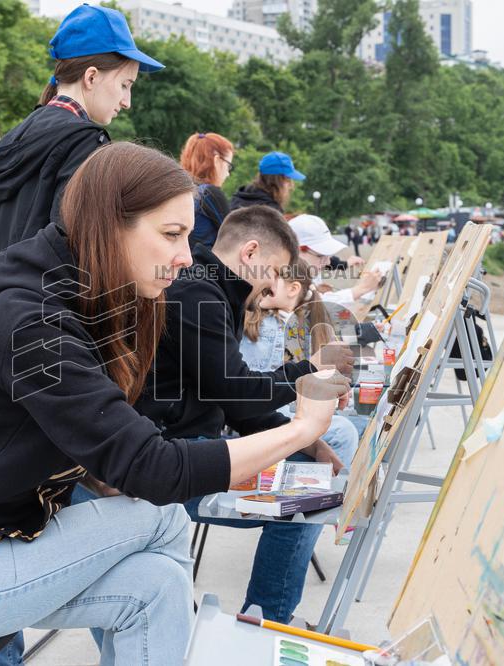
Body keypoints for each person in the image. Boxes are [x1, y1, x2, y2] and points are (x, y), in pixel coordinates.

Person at [0, 143, 350, 665]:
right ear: (110, 226)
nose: (188, 257)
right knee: (162, 518)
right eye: (172, 234)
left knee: (159, 583)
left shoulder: (79, 303)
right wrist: (301, 430)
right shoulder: (32, 325)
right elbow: (153, 468)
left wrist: (102, 473)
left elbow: (100, 444)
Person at [133, 204, 356, 623]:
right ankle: (267, 621)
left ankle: (264, 618)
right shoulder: (197, 292)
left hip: (193, 445)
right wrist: (308, 369)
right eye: (274, 272)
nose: (272, 286)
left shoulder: (213, 289)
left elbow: (229, 400)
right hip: (175, 462)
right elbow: (237, 394)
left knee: (314, 481)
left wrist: (309, 442)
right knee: (305, 499)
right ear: (250, 252)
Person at [0, 4, 163, 311]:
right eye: (125, 85)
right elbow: (76, 246)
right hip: (41, 317)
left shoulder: (18, 134)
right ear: (91, 77)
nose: (127, 101)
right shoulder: (84, 142)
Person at [241, 259, 362, 466]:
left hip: (276, 410)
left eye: (272, 277)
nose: (260, 282)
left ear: (293, 289)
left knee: (352, 427)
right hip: (263, 416)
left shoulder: (296, 323)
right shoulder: (266, 322)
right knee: (345, 431)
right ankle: (330, 484)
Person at [289, 215, 374, 300]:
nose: (328, 262)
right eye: (321, 255)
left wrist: (316, 289)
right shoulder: (287, 286)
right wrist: (362, 289)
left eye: (328, 255)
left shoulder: (302, 274)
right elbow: (315, 304)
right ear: (295, 251)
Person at [179, 131, 233, 248]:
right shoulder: (209, 193)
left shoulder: (180, 190)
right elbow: (234, 237)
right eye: (228, 166)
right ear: (217, 160)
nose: (228, 173)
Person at [229, 151, 303, 213]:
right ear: (276, 181)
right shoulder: (272, 213)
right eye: (288, 179)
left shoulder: (237, 199)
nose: (291, 186)